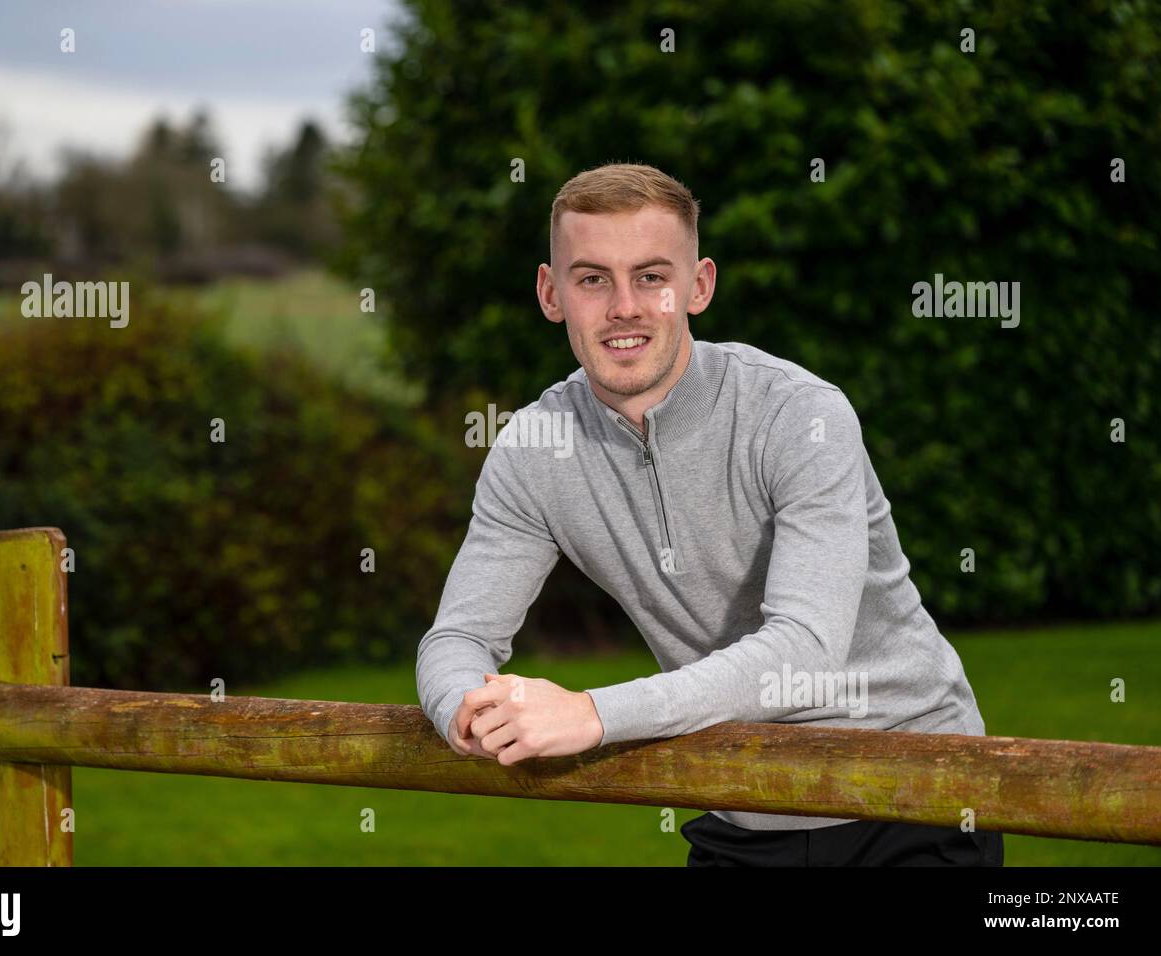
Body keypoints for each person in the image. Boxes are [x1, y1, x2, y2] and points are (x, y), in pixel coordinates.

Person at [415, 161, 1003, 867]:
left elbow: (806, 649)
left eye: (652, 277)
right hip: (742, 803)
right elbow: (456, 639)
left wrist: (593, 714)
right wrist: (466, 713)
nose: (624, 306)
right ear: (551, 293)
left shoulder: (798, 413)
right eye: (593, 278)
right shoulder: (534, 450)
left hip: (914, 790)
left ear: (699, 287)